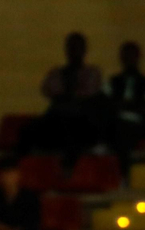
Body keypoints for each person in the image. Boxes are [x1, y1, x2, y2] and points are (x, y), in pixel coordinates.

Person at [23, 30, 110, 162]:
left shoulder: (92, 72)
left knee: (73, 128)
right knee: (29, 129)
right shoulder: (56, 73)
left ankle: (68, 167)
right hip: (57, 120)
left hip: (83, 123)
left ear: (84, 50)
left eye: (77, 47)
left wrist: (67, 96)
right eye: (71, 47)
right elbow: (48, 89)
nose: (74, 51)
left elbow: (87, 92)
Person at [108, 39, 145, 169]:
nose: (129, 60)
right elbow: (107, 107)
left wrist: (125, 106)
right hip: (116, 128)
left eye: (132, 56)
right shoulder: (112, 83)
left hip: (141, 129)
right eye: (126, 56)